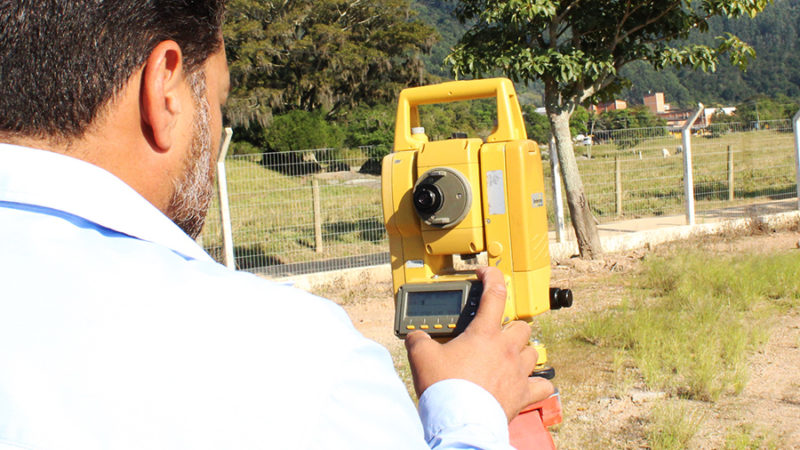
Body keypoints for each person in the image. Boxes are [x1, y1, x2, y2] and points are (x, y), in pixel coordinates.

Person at [0, 1, 554, 448]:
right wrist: (469, 408)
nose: (217, 133)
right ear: (164, 88)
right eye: (218, 101)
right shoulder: (300, 365)